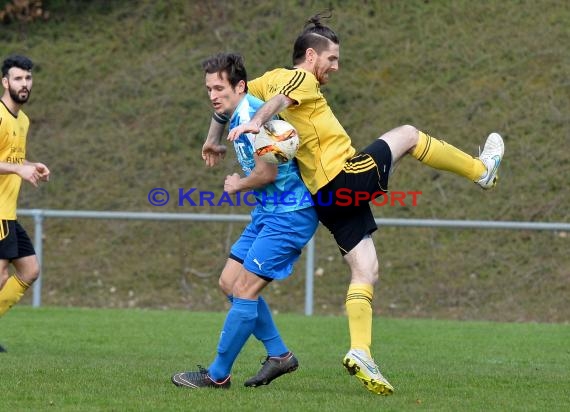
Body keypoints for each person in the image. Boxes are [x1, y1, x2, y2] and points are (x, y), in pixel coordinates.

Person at [224, 13, 505, 395]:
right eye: (332, 59)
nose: (335, 67)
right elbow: (277, 99)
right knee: (407, 134)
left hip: (326, 200)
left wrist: (214, 135)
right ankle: (480, 171)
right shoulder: (300, 77)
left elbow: (234, 98)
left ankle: (361, 352)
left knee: (366, 270)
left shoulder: (266, 77)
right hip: (345, 177)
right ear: (311, 55)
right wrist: (258, 123)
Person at [171, 53, 318, 389]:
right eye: (208, 88)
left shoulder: (254, 115)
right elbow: (220, 112)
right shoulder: (238, 107)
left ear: (240, 86)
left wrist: (238, 184)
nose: (212, 95)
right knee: (229, 283)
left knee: (244, 289)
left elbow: (266, 173)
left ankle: (217, 374)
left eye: (219, 88)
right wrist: (212, 138)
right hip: (268, 213)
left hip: (289, 215)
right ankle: (280, 355)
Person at [0, 55, 50, 351]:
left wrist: (31, 165)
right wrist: (19, 169)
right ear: (5, 82)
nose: (24, 84)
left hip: (8, 213)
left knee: (30, 270)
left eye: (28, 78)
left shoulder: (23, 119)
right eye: (18, 79)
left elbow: (11, 161)